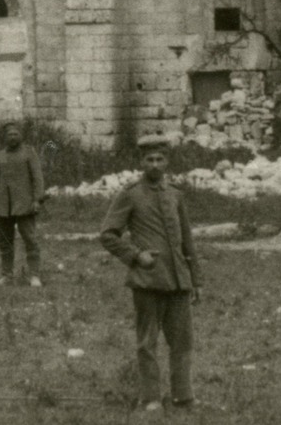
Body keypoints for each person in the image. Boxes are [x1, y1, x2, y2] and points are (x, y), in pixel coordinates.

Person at [99, 135, 203, 412]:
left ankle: (183, 396)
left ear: (167, 161)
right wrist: (136, 255)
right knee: (147, 342)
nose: (155, 164)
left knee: (182, 342)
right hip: (147, 281)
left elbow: (187, 241)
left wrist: (197, 279)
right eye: (149, 159)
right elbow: (108, 235)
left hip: (179, 281)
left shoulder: (176, 195)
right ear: (141, 162)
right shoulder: (130, 194)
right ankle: (152, 397)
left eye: (160, 159)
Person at [0, 122, 46, 286]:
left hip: (25, 205)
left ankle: (34, 275)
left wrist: (37, 199)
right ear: (5, 137)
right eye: (9, 134)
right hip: (3, 206)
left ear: (21, 136)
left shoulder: (29, 153)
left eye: (15, 134)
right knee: (4, 241)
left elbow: (38, 178)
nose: (12, 137)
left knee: (30, 240)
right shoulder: (0, 155)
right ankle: (7, 275)